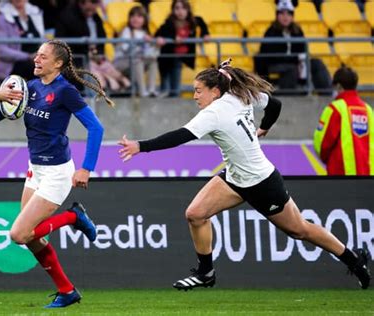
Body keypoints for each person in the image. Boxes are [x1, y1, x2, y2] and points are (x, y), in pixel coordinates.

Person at [118, 59, 371, 291]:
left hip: (262, 182)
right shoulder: (242, 95)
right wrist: (265, 128)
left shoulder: (213, 113)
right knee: (195, 214)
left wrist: (141, 146)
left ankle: (353, 258)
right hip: (236, 177)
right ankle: (206, 273)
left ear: (214, 91)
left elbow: (180, 136)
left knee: (300, 230)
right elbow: (275, 104)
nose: (194, 96)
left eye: (198, 90)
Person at [0, 39, 114, 308]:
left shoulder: (65, 92)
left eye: (43, 56)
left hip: (57, 172)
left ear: (57, 63)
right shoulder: (29, 87)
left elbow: (96, 129)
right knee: (33, 239)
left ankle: (73, 216)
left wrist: (86, 168)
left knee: (19, 235)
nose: (36, 59)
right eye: (36, 55)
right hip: (36, 170)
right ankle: (67, 291)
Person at [255, 0, 331, 94]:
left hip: (295, 62)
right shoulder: (271, 31)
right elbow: (269, 54)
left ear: (292, 16)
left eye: (289, 14)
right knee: (292, 68)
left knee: (316, 63)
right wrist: (295, 60)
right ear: (277, 15)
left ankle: (327, 94)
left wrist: (301, 60)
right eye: (282, 13)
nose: (285, 17)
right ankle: (290, 96)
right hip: (277, 64)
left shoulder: (297, 30)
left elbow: (302, 49)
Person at [314, 66, 374, 175]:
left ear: (338, 86)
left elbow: (322, 144)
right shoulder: (368, 110)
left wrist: (326, 159)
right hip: (368, 178)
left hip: (340, 176)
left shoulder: (335, 109)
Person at [154, 0, 209, 97]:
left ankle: (174, 93)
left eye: (183, 8)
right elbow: (158, 34)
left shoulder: (193, 21)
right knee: (165, 87)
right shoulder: (169, 23)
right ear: (173, 10)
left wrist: (205, 34)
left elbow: (202, 24)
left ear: (188, 10)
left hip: (182, 57)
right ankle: (170, 93)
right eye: (177, 8)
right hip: (166, 58)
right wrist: (173, 37)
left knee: (176, 66)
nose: (180, 11)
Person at [114, 5, 159, 97]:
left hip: (136, 61)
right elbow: (125, 49)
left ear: (144, 19)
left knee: (153, 61)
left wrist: (154, 43)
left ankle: (151, 89)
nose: (135, 19)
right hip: (122, 62)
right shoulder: (127, 31)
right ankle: (142, 91)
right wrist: (140, 43)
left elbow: (150, 52)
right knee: (138, 60)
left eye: (139, 16)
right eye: (132, 16)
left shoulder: (145, 33)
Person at [0, 0, 44, 81]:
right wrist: (28, 56)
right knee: (35, 68)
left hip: (36, 59)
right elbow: (1, 50)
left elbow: (42, 39)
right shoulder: (2, 18)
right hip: (13, 64)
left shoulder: (36, 13)